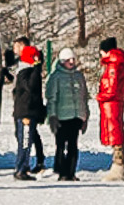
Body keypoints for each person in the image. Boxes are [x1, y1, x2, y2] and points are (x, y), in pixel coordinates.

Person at [93, 39, 124, 177]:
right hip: (114, 103)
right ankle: (118, 165)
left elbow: (112, 88)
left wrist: (100, 96)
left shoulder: (113, 65)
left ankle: (118, 166)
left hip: (111, 104)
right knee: (116, 130)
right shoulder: (119, 63)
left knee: (115, 131)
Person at [9, 41, 48, 180]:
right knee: (25, 141)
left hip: (29, 111)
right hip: (25, 112)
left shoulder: (26, 71)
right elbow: (31, 87)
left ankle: (24, 167)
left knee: (28, 139)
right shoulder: (25, 72)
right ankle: (21, 168)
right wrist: (36, 69)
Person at [45, 51, 88, 178]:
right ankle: (61, 171)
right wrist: (52, 116)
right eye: (68, 60)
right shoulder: (56, 77)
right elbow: (51, 98)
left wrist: (85, 116)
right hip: (61, 117)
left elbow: (84, 97)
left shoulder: (79, 76)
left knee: (73, 145)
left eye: (73, 59)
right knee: (60, 145)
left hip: (76, 116)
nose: (72, 62)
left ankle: (71, 172)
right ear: (62, 61)